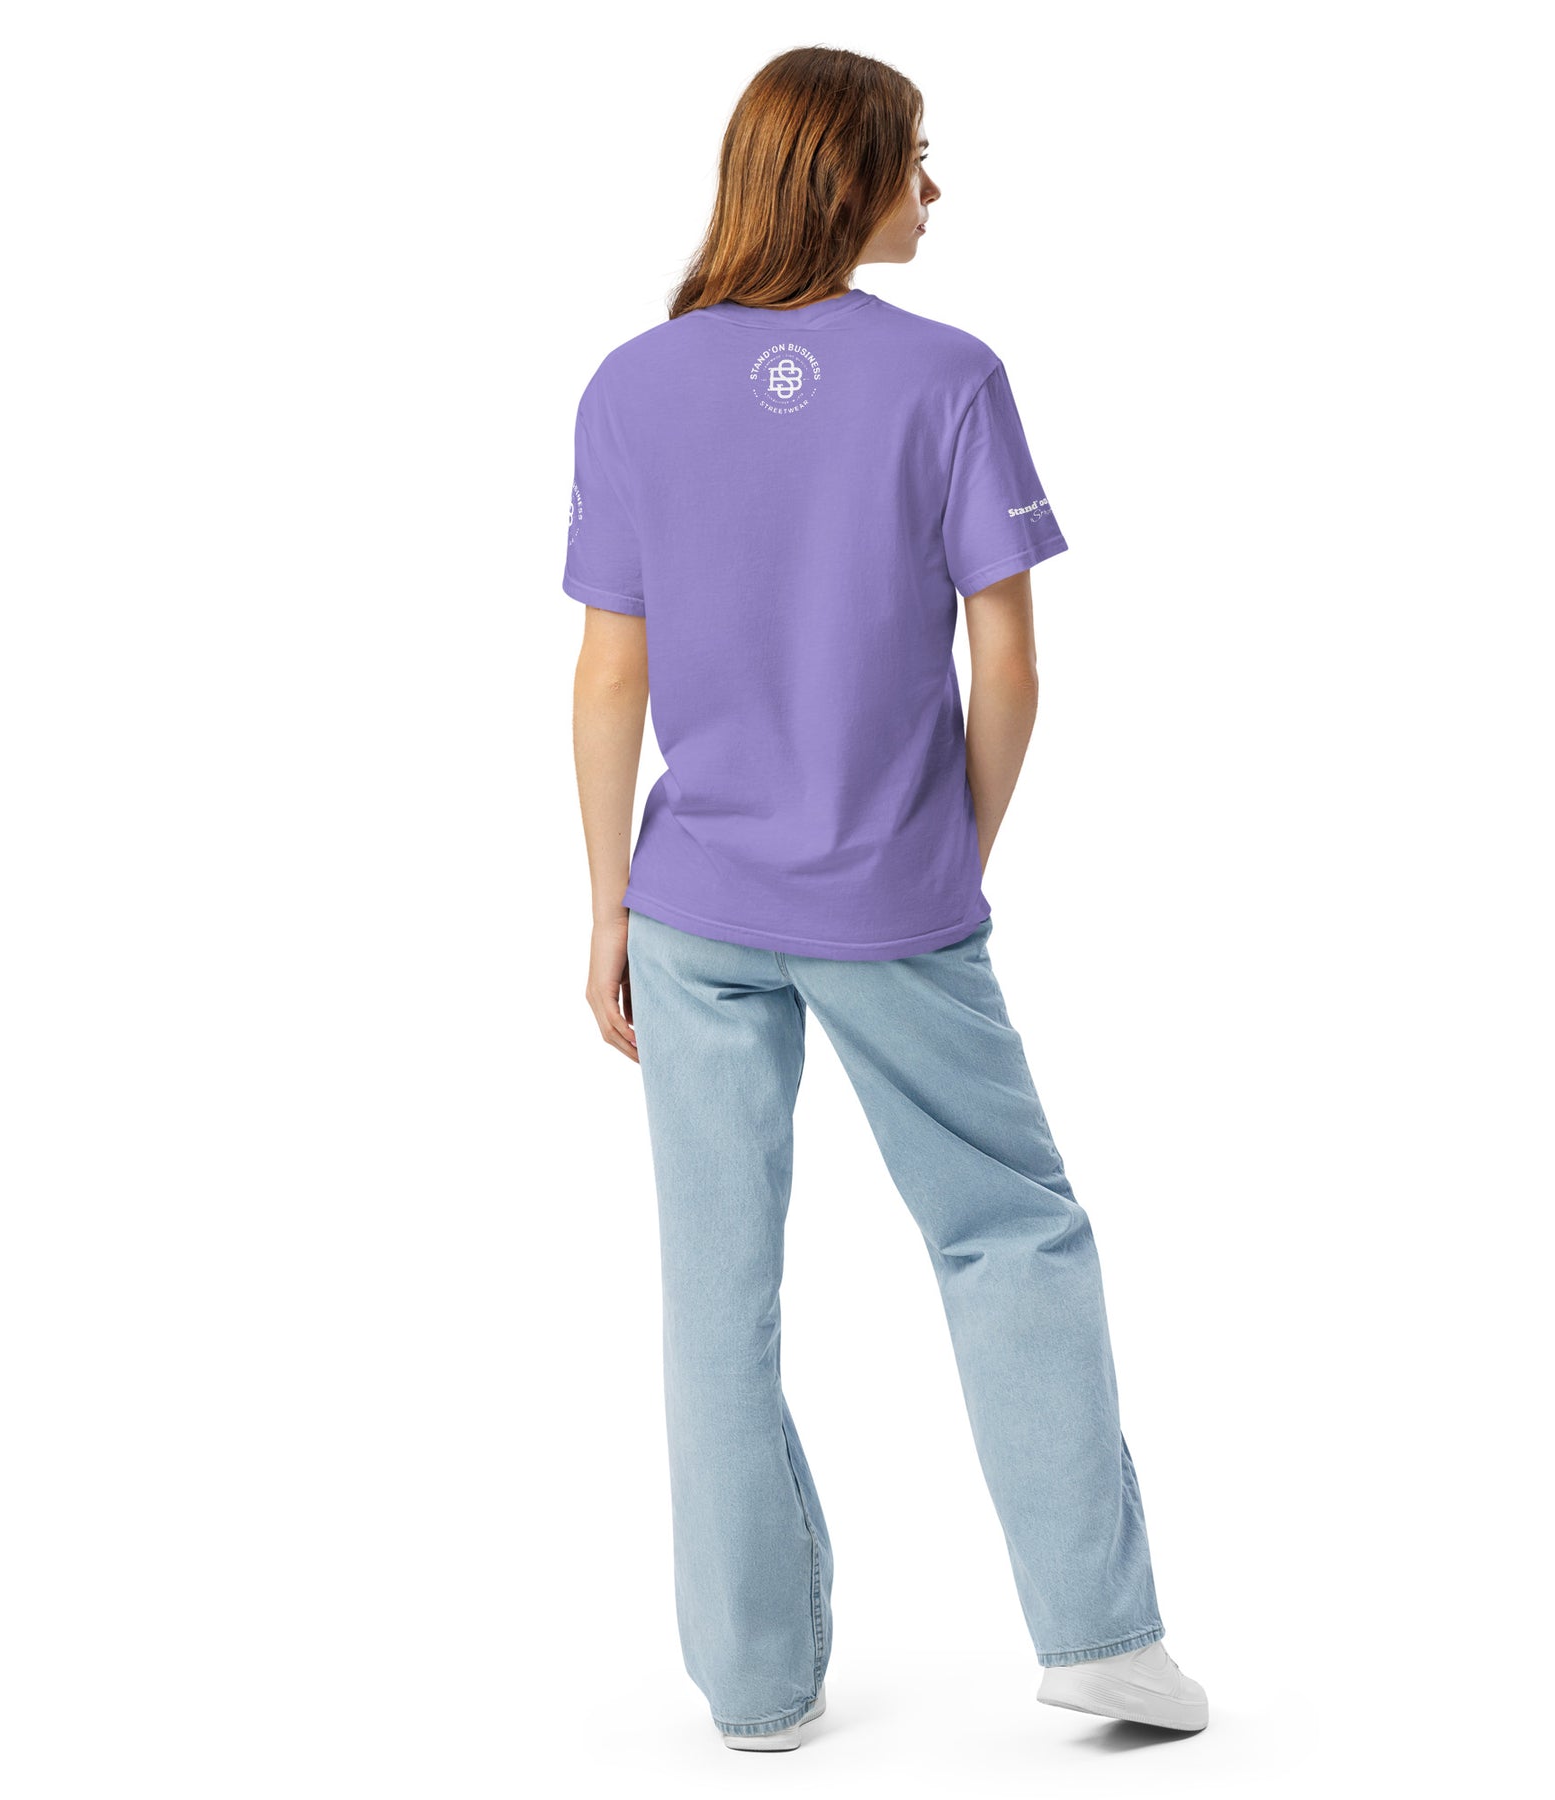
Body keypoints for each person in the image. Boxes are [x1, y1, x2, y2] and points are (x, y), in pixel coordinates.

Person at [566, 45, 1207, 1752]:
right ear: (845, 174)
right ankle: (1099, 1635)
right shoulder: (949, 377)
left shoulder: (631, 385)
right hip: (892, 904)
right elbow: (1014, 665)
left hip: (691, 905)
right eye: (917, 157)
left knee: (715, 1292)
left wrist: (610, 907)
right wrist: (949, 855)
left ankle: (755, 1688)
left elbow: (609, 676)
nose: (936, 187)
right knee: (1012, 1233)